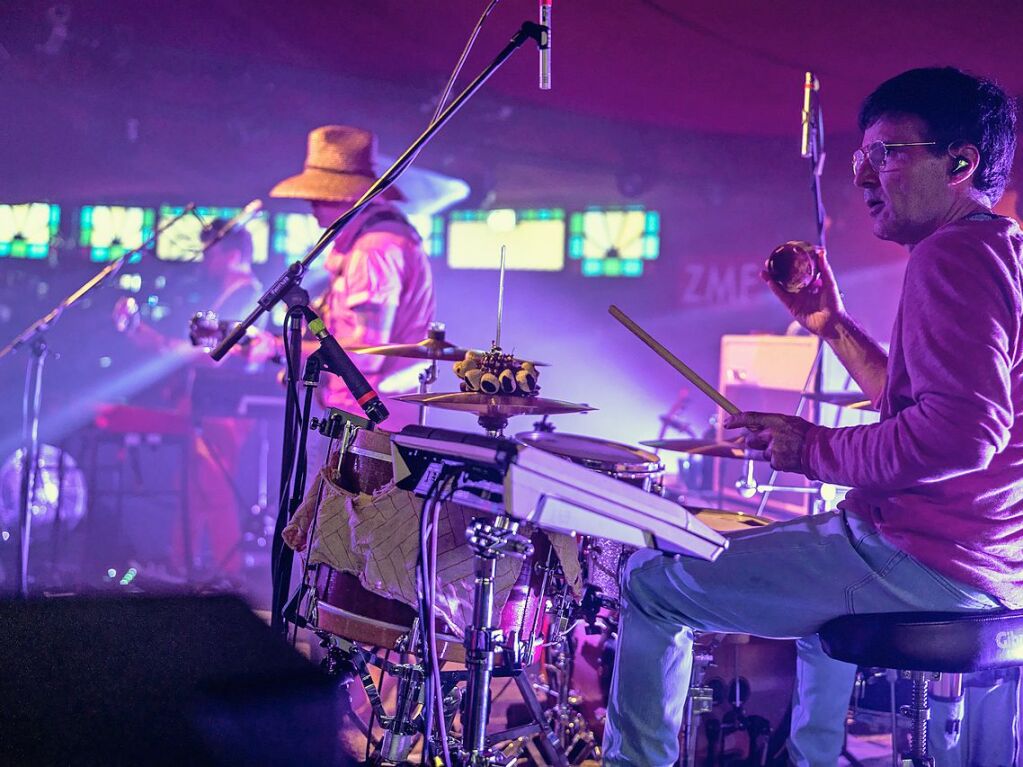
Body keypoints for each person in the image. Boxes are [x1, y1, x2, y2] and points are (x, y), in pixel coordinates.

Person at [602, 66, 1021, 767]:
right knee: (816, 600)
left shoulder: (947, 255)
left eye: (887, 154)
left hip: (923, 556)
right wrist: (831, 325)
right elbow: (923, 400)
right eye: (863, 156)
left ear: (958, 163)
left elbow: (962, 432)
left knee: (647, 584)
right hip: (987, 559)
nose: (862, 177)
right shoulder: (999, 250)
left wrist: (813, 449)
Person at [113, 221, 265, 578]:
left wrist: (160, 345)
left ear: (233, 254)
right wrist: (150, 338)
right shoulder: (230, 295)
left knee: (213, 485)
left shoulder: (246, 294)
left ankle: (228, 574)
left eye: (211, 252)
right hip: (210, 403)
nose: (205, 260)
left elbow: (219, 355)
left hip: (225, 407)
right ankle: (184, 564)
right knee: (194, 485)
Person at [265, 124, 435, 431]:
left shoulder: (374, 250)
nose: (311, 204)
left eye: (319, 195)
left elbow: (365, 355)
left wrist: (279, 347)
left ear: (346, 196)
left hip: (373, 424)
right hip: (363, 417)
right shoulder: (372, 240)